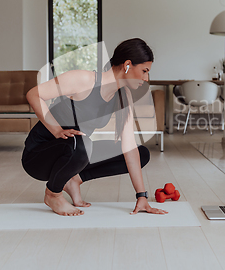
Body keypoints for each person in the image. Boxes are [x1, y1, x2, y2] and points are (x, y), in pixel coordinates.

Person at [22, 38, 168, 217]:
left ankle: (73, 180)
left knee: (141, 153)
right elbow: (34, 94)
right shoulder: (84, 79)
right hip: (38, 155)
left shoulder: (124, 96)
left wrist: (141, 196)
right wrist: (56, 130)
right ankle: (53, 194)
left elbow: (128, 146)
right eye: (144, 71)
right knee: (83, 143)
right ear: (128, 65)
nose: (146, 79)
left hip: (76, 151)